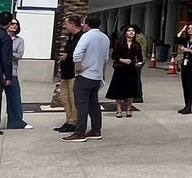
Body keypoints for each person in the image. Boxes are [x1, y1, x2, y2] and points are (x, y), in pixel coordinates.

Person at [63, 14, 109, 143]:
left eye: (83, 23)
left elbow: (77, 54)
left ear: (88, 24)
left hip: (85, 75)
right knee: (94, 104)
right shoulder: (105, 37)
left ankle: (79, 132)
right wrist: (102, 74)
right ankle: (96, 130)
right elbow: (106, 58)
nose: (82, 25)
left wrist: (78, 67)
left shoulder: (86, 36)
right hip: (97, 76)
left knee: (81, 104)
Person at [106, 24, 144, 118]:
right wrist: (122, 60)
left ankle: (128, 109)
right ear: (125, 33)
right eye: (129, 30)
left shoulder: (137, 44)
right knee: (119, 89)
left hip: (131, 69)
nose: (131, 32)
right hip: (120, 68)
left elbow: (140, 58)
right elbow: (114, 56)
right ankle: (118, 110)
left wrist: (138, 63)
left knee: (130, 90)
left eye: (133, 31)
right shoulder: (119, 43)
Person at [52, 15, 81, 134]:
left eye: (67, 25)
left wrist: (67, 56)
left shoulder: (81, 37)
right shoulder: (71, 37)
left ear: (72, 24)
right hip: (65, 72)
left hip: (73, 72)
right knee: (65, 98)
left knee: (73, 98)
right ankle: (69, 120)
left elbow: (81, 53)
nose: (65, 27)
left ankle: (74, 122)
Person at [2, 17, 31, 131]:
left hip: (12, 72)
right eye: (12, 24)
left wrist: (7, 52)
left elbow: (19, 55)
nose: (14, 26)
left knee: (14, 97)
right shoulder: (1, 37)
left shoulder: (19, 40)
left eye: (16, 24)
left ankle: (16, 121)